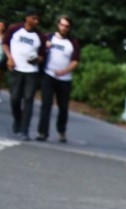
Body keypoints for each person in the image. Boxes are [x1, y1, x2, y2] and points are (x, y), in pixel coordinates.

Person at [2, 8, 45, 140]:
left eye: (38, 19)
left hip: (31, 71)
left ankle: (25, 129)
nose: (36, 21)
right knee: (15, 98)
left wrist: (37, 59)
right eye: (33, 18)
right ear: (27, 18)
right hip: (16, 68)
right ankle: (18, 119)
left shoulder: (40, 36)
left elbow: (42, 55)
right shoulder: (15, 29)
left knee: (28, 99)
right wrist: (9, 57)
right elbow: (5, 43)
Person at [37, 14, 79, 143]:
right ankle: (42, 132)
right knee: (46, 104)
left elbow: (75, 61)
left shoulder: (73, 43)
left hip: (65, 79)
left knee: (63, 107)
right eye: (62, 25)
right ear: (58, 25)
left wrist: (64, 71)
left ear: (69, 28)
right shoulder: (48, 38)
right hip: (48, 74)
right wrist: (45, 47)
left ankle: (61, 131)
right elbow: (38, 52)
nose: (64, 28)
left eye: (67, 26)